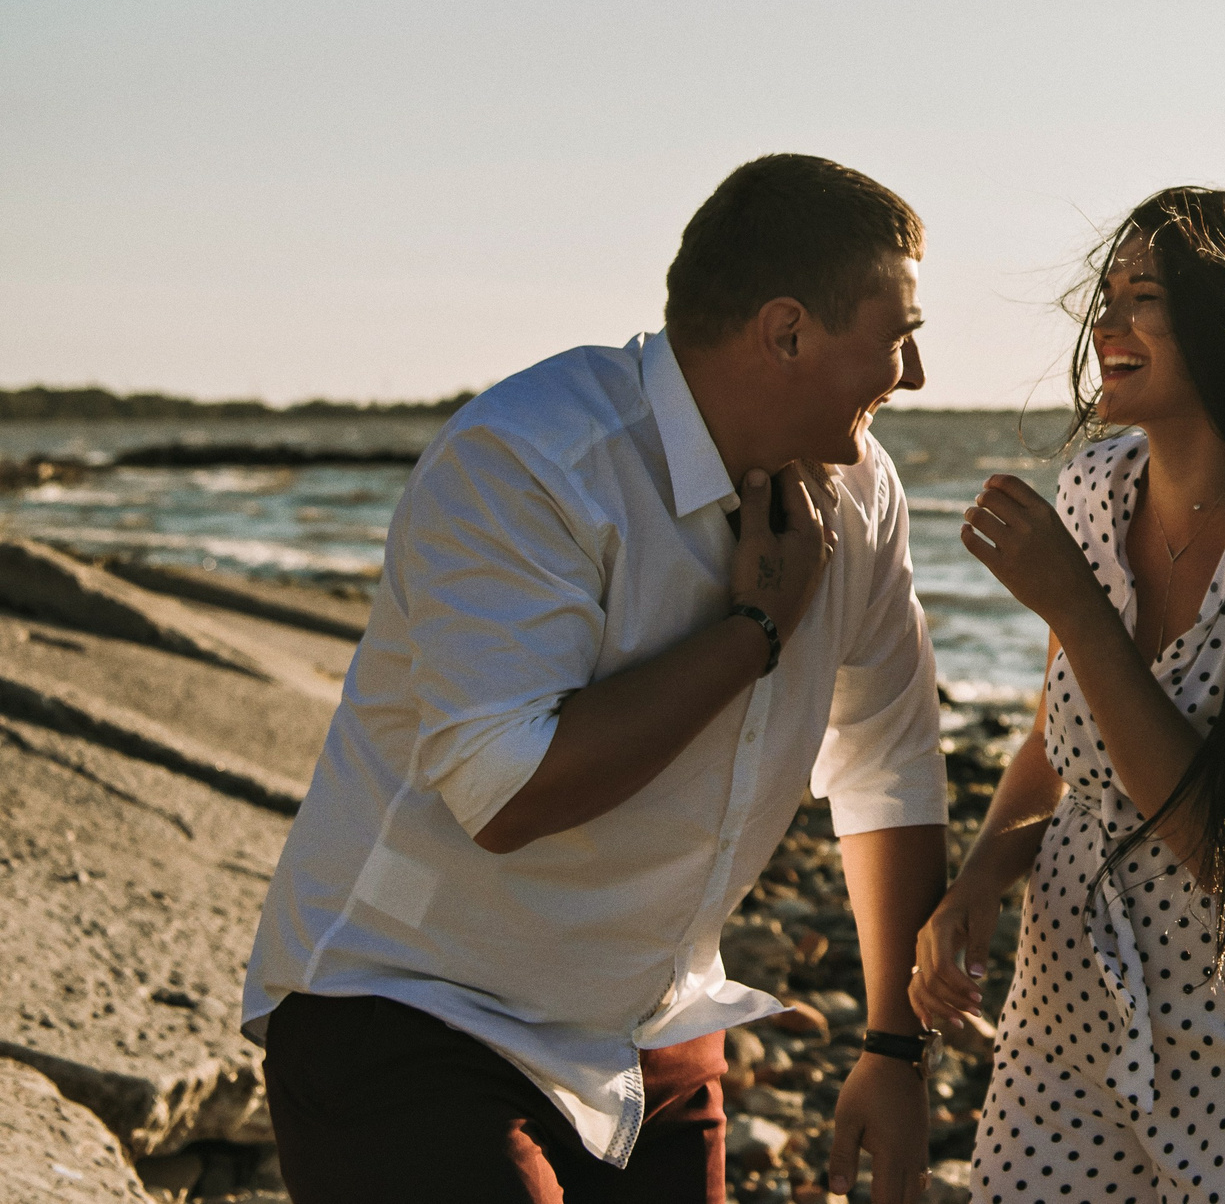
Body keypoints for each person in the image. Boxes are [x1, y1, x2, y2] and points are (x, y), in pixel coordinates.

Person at [242, 154, 950, 1204]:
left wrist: (895, 1047)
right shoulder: (529, 459)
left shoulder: (863, 492)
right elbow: (508, 789)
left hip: (650, 1034)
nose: (918, 377)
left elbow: (888, 764)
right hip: (412, 1008)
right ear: (788, 329)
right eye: (900, 338)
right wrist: (752, 626)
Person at [911, 187, 1225, 1204]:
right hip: (1069, 1000)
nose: (1107, 323)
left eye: (1146, 297)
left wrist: (1076, 608)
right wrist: (979, 874)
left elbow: (1224, 848)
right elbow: (1062, 739)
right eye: (1107, 294)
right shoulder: (1093, 491)